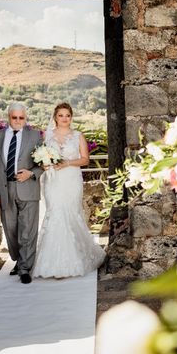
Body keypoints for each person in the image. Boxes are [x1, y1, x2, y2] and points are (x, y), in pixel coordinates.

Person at [32, 103, 106, 278]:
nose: (64, 118)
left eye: (67, 115)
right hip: (53, 181)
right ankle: (50, 263)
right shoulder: (47, 135)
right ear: (55, 117)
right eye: (61, 115)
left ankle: (73, 260)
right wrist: (45, 162)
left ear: (71, 117)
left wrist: (67, 163)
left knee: (70, 214)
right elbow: (42, 156)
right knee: (55, 213)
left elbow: (85, 160)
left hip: (72, 179)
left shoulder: (78, 136)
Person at [0, 103, 43, 284]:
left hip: (28, 189)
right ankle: (19, 260)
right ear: (8, 117)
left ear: (25, 119)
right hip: (5, 190)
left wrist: (31, 173)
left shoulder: (35, 136)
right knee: (11, 230)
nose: (18, 121)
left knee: (28, 230)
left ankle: (25, 268)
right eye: (14, 117)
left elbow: (44, 163)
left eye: (21, 118)